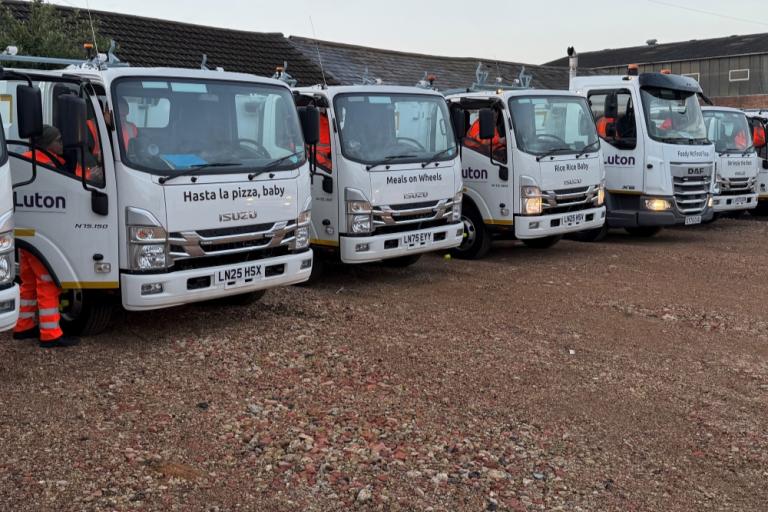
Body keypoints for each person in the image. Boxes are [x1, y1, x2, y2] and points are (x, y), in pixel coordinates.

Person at [15, 125, 80, 348]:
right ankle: (50, 334)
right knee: (48, 283)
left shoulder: (25, 159)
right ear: (47, 143)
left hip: (26, 236)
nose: (62, 144)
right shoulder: (46, 165)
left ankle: (23, 327)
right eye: (58, 140)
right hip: (42, 235)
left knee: (29, 283)